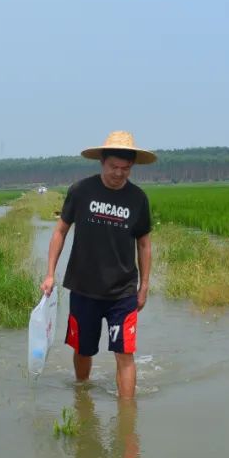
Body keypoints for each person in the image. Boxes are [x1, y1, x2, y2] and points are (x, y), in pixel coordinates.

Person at [40, 130, 154, 399]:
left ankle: (128, 417)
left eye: (125, 169)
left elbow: (144, 244)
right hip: (84, 288)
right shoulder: (81, 191)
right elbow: (60, 231)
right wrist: (49, 274)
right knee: (83, 349)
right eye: (114, 166)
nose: (119, 173)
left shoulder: (138, 199)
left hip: (123, 291)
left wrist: (144, 286)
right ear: (102, 162)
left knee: (125, 353)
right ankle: (83, 396)